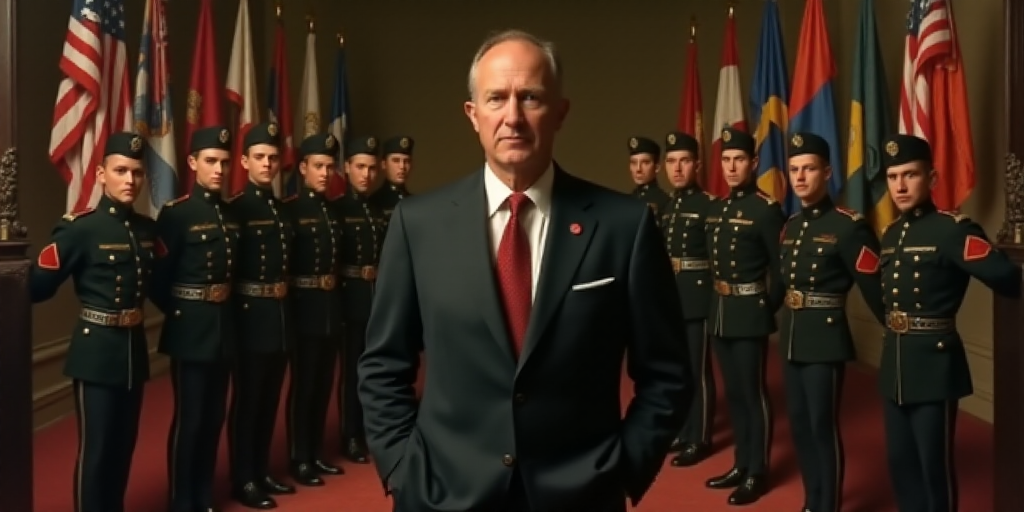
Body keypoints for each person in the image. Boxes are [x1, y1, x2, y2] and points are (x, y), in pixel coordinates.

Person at [357, 29, 691, 512]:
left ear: (560, 112)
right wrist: (402, 468)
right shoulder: (417, 225)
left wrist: (623, 472)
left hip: (580, 495)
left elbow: (667, 373)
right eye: (496, 98)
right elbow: (383, 365)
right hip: (442, 493)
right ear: (473, 115)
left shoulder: (625, 226)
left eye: (530, 97)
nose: (512, 116)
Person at [878, 134, 1020, 512]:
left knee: (932, 467)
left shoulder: (952, 229)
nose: (901, 185)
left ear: (933, 178)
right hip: (895, 363)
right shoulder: (891, 234)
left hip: (934, 364)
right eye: (893, 177)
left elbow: (1006, 276)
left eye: (910, 175)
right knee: (899, 462)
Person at [29, 132, 155, 512]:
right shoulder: (79, 228)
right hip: (96, 351)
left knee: (123, 447)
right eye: (120, 171)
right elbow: (37, 286)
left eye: (136, 172)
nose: (129, 180)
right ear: (101, 174)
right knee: (97, 451)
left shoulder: (147, 230)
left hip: (133, 351)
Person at [779, 132, 885, 512]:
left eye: (808, 169)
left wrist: (896, 330)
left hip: (825, 338)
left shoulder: (847, 225)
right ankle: (812, 500)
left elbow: (875, 288)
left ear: (827, 172)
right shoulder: (790, 225)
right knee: (799, 424)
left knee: (822, 425)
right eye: (794, 169)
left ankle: (830, 506)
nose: (801, 177)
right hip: (792, 336)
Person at [150, 126, 239, 512]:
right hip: (190, 329)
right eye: (210, 162)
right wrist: (185, 312)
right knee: (190, 419)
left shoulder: (231, 213)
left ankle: (202, 494)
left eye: (223, 162)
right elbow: (157, 279)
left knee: (214, 416)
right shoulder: (177, 214)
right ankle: (180, 499)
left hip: (225, 329)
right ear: (192, 163)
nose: (218, 169)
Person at [704, 126, 784, 506]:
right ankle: (740, 462)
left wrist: (765, 308)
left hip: (750, 311)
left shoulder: (765, 210)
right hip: (720, 312)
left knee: (753, 394)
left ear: (753, 163)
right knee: (733, 392)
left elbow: (781, 270)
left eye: (739, 160)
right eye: (726, 160)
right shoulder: (718, 209)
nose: (732, 166)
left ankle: (758, 471)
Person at [227, 122, 296, 508]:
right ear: (244, 161)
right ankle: (243, 477)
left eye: (272, 158)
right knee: (248, 401)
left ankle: (262, 470)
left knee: (269, 399)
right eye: (259, 157)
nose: (268, 164)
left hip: (280, 317)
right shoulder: (237, 209)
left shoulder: (281, 210)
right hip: (250, 319)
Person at [282, 133, 345, 485]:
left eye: (329, 166)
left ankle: (316, 451)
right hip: (302, 309)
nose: (325, 173)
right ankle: (298, 456)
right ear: (303, 167)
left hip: (329, 308)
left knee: (323, 384)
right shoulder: (290, 210)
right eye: (318, 166)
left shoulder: (333, 211)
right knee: (304, 385)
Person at [659, 131, 718, 467]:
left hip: (698, 297)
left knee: (697, 370)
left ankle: (701, 436)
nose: (677, 168)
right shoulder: (668, 207)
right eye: (671, 161)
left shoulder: (708, 206)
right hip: (673, 297)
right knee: (679, 370)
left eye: (683, 161)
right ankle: (683, 429)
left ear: (696, 164)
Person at [335, 134, 387, 463]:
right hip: (349, 300)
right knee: (352, 373)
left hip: (378, 301)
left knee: (378, 370)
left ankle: (373, 429)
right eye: (359, 167)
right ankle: (350, 434)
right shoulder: (339, 209)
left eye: (370, 168)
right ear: (347, 168)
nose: (366, 175)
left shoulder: (379, 210)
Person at [373, 135, 415, 221]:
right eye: (396, 160)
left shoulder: (415, 202)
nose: (402, 166)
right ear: (384, 164)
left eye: (406, 161)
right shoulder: (374, 202)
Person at [627, 136, 670, 218]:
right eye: (634, 163)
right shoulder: (628, 199)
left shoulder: (664, 202)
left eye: (645, 162)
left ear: (657, 167)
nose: (638, 169)